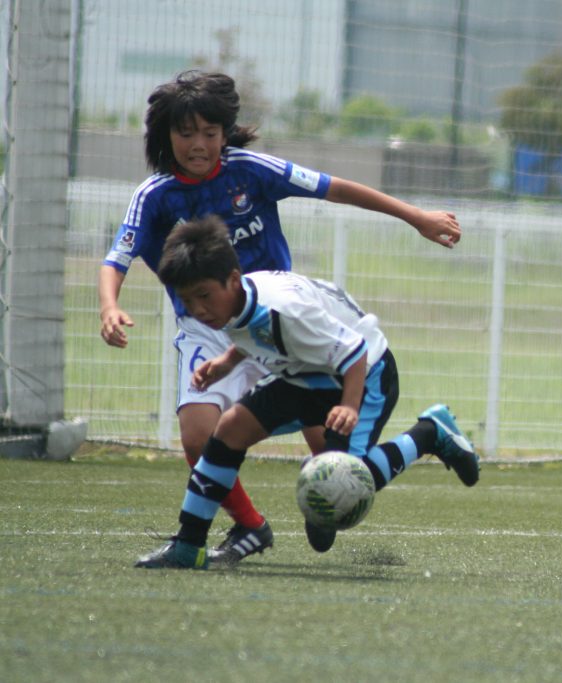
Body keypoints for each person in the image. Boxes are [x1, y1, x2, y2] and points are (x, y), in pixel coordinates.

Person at [99, 71, 462, 564]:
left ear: (225, 132)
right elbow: (116, 258)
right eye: (186, 133)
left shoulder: (251, 171)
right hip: (211, 331)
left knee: (335, 472)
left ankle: (424, 437)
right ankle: (245, 529)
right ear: (165, 135)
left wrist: (415, 216)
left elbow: (337, 189)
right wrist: (110, 305)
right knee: (202, 435)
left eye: (209, 132)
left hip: (280, 328)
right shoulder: (155, 195)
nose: (198, 144)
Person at [135, 216, 479, 569]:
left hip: (364, 372)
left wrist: (348, 406)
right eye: (187, 301)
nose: (198, 310)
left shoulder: (285, 312)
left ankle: (429, 433)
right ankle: (189, 544)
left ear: (233, 281)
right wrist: (226, 362)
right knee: (229, 430)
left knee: (344, 485)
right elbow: (252, 332)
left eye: (203, 296)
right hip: (305, 373)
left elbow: (354, 350)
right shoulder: (235, 302)